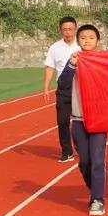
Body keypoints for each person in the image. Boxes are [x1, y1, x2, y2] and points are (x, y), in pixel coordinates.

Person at [58, 24, 107, 216]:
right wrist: (72, 65)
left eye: (91, 37)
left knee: (97, 160)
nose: (87, 41)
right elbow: (62, 84)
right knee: (85, 162)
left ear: (98, 41)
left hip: (99, 120)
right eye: (83, 38)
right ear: (78, 41)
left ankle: (97, 199)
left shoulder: (104, 61)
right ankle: (94, 189)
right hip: (79, 120)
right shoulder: (74, 61)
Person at [43, 16, 80, 163]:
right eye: (65, 29)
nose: (68, 32)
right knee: (62, 121)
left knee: (82, 122)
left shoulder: (82, 45)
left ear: (75, 28)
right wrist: (46, 88)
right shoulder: (55, 47)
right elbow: (50, 68)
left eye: (70, 29)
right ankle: (67, 152)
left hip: (80, 88)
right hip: (64, 89)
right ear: (60, 30)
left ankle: (84, 147)